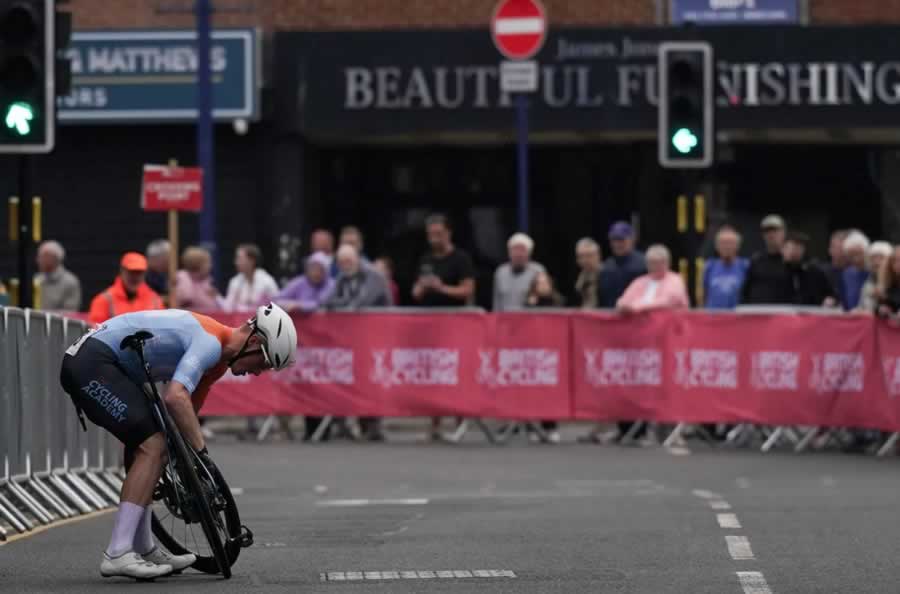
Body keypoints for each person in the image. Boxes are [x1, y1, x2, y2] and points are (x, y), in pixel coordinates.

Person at [60, 303, 296, 579]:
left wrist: (187, 459)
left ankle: (144, 547)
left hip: (108, 365)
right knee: (153, 447)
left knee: (154, 447)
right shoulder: (210, 342)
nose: (259, 372)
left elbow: (186, 412)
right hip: (91, 364)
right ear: (254, 341)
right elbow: (175, 396)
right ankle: (117, 553)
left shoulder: (218, 362)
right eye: (264, 362)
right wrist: (202, 455)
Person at [412, 214, 476, 441]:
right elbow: (415, 293)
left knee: (455, 373)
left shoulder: (461, 258)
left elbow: (467, 290)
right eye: (431, 235)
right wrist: (422, 286)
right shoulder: (426, 259)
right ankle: (435, 423)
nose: (434, 239)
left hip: (456, 324)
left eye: (438, 234)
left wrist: (442, 288)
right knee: (432, 372)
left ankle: (460, 421)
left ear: (448, 233)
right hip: (430, 325)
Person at [324, 245, 392, 441]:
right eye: (341, 263)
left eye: (348, 261)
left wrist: (343, 303)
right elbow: (328, 301)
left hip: (377, 337)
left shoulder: (374, 276)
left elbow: (361, 303)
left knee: (372, 379)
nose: (345, 266)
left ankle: (373, 424)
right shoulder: (343, 277)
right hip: (353, 339)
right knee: (351, 378)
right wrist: (344, 302)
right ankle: (350, 423)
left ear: (357, 260)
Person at [525, 271, 564, 444]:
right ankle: (532, 428)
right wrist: (531, 305)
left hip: (552, 353)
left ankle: (551, 426)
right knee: (531, 392)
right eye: (538, 283)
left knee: (550, 392)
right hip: (532, 353)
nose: (542, 286)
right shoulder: (527, 304)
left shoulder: (557, 302)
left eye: (544, 283)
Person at [88, 253, 164, 325]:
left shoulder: (155, 300)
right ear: (122, 271)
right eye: (131, 272)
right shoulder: (103, 301)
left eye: (139, 272)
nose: (135, 277)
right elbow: (95, 332)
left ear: (144, 274)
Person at [616, 244, 690, 314]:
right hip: (640, 324)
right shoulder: (640, 281)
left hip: (668, 324)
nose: (655, 266)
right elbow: (623, 301)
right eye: (651, 262)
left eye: (659, 262)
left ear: (668, 263)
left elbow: (668, 301)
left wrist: (636, 307)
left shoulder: (675, 280)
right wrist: (623, 305)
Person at [741, 214, 792, 305]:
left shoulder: (792, 260)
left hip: (783, 315)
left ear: (784, 233)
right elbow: (746, 290)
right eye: (767, 231)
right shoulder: (756, 260)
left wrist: (791, 263)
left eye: (775, 230)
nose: (771, 234)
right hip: (758, 313)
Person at [493, 233, 546, 311]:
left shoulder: (537, 271)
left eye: (522, 250)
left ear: (529, 253)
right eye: (515, 249)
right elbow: (496, 303)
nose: (518, 254)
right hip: (505, 319)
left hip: (529, 319)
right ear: (509, 252)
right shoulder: (500, 272)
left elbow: (545, 300)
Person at [599, 222, 646, 308]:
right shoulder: (607, 265)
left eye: (621, 240)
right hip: (610, 317)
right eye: (614, 240)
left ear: (632, 239)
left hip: (636, 317)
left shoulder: (644, 264)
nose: (617, 244)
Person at [782, 232, 835, 306]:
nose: (796, 251)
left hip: (810, 315)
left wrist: (830, 300)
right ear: (783, 249)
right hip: (779, 315)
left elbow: (830, 295)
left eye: (800, 247)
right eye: (793, 247)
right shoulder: (773, 272)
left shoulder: (814, 273)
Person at [222, 244, 279, 312]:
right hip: (240, 321)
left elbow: (277, 305)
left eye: (239, 258)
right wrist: (216, 297)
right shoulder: (234, 281)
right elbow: (228, 308)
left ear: (252, 260)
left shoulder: (267, 281)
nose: (236, 262)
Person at [703, 226, 749, 310]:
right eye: (723, 243)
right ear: (717, 246)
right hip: (714, 317)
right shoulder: (710, 266)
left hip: (738, 318)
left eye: (730, 243)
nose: (727, 247)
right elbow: (703, 294)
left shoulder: (745, 266)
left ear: (737, 246)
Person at [35, 240, 82, 311]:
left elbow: (70, 312)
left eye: (43, 256)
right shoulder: (37, 279)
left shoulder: (70, 282)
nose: (38, 260)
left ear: (54, 258)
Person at [174, 246, 221, 312]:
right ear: (197, 264)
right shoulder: (183, 277)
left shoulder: (207, 280)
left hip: (212, 318)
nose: (211, 266)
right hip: (192, 319)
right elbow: (186, 296)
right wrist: (186, 280)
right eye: (208, 263)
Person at [856, 241, 891, 312]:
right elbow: (862, 305)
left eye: (881, 258)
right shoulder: (868, 282)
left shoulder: (894, 282)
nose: (876, 262)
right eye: (873, 258)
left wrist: (883, 297)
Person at [840, 230, 871, 311]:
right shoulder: (846, 274)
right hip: (851, 317)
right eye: (851, 255)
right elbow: (845, 300)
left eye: (858, 254)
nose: (855, 258)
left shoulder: (873, 272)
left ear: (866, 252)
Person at [573, 237, 602, 308]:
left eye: (589, 255)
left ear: (598, 255)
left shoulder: (607, 274)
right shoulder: (581, 276)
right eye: (581, 256)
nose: (584, 260)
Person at [877, 246, 900, 318]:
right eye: (894, 260)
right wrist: (881, 308)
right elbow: (879, 306)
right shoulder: (888, 283)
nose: (897, 264)